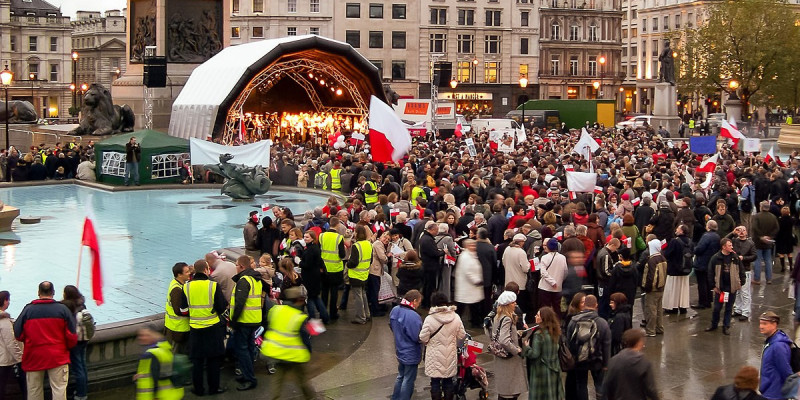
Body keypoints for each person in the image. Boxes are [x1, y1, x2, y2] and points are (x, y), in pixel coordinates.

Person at [14, 281, 77, 400]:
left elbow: (18, 334)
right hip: (58, 356)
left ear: (38, 293)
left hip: (34, 356)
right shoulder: (63, 310)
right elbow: (72, 336)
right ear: (53, 293)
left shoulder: (28, 310)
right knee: (59, 389)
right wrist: (64, 347)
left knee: (34, 390)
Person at [181, 259, 228, 396]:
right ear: (207, 270)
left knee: (197, 361)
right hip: (212, 328)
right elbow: (221, 307)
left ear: (194, 271)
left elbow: (183, 309)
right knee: (213, 360)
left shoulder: (186, 286)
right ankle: (214, 388)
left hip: (195, 329)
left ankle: (198, 389)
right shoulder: (213, 286)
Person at [261, 286, 316, 400]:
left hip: (277, 352)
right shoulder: (298, 317)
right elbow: (305, 338)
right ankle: (311, 398)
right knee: (302, 379)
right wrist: (309, 352)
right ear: (298, 300)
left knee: (278, 379)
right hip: (293, 354)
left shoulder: (275, 310)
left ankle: (274, 398)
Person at [419, 292, 466, 400]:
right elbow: (462, 335)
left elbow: (423, 337)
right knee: (448, 381)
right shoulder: (456, 317)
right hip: (450, 355)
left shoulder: (430, 319)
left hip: (434, 357)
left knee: (435, 382)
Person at [565, 294, 610, 400]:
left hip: (580, 359)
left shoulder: (574, 321)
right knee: (599, 384)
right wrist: (606, 363)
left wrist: (573, 358)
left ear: (584, 304)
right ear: (596, 305)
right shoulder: (602, 322)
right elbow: (606, 344)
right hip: (597, 359)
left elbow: (569, 341)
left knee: (581, 385)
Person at [231, 255, 264, 391]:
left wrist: (233, 321)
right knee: (250, 348)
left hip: (244, 320)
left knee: (242, 349)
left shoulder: (244, 281)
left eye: (237, 265)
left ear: (242, 267)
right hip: (254, 319)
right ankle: (247, 374)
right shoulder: (256, 280)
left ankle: (250, 379)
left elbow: (240, 303)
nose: (236, 268)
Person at [602, 328, 659, 400]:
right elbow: (651, 389)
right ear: (639, 342)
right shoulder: (643, 362)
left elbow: (606, 386)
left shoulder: (613, 360)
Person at [704, 238, 746, 335]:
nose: (731, 247)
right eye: (729, 245)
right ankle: (714, 324)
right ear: (723, 247)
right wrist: (713, 286)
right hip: (720, 289)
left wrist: (741, 283)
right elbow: (710, 272)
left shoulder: (735, 258)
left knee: (729, 308)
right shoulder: (715, 258)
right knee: (717, 308)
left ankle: (726, 326)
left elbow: (741, 271)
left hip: (732, 288)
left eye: (731, 245)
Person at [522, 306, 563, 400]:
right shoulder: (555, 331)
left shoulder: (539, 334)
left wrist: (527, 347)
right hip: (554, 369)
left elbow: (534, 354)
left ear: (543, 318)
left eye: (538, 315)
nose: (535, 316)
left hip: (540, 371)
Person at [390, 290, 423, 400]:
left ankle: (395, 398)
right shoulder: (413, 316)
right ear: (414, 301)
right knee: (408, 379)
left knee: (401, 376)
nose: (419, 305)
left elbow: (392, 326)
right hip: (411, 352)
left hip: (400, 349)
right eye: (418, 302)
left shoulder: (395, 310)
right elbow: (417, 336)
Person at [133, 326, 184, 400]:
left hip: (159, 396)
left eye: (146, 335)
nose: (142, 338)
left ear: (153, 335)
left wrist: (155, 396)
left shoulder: (151, 354)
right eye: (140, 335)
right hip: (172, 395)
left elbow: (155, 376)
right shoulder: (164, 348)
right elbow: (165, 373)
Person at [62, 285, 91, 400]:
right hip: (84, 339)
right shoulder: (82, 304)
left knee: (77, 368)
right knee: (83, 366)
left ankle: (81, 394)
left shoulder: (69, 306)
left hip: (76, 340)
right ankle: (83, 389)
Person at [758, 311, 792, 400]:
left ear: (774, 325)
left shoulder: (778, 346)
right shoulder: (772, 340)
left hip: (774, 393)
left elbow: (786, 371)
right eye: (760, 323)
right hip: (768, 389)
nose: (761, 326)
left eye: (765, 324)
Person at [453, 239, 484, 328]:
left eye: (474, 245)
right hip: (467, 286)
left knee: (472, 306)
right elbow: (468, 271)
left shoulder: (471, 255)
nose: (473, 247)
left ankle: (475, 322)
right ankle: (456, 322)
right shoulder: (465, 257)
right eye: (471, 245)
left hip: (470, 288)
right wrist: (476, 280)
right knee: (462, 306)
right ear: (466, 246)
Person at [0, 290, 25, 399]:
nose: (9, 302)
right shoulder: (4, 320)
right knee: (1, 386)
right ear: (4, 301)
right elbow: (10, 342)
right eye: (8, 300)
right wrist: (20, 358)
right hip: (4, 360)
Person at [319, 225, 347, 320]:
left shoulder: (321, 236)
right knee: (334, 292)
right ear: (337, 226)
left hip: (324, 268)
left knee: (324, 292)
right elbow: (342, 254)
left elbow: (319, 250)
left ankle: (323, 314)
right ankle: (333, 313)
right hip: (336, 269)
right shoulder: (339, 237)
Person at [301, 230, 329, 324]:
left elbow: (307, 265)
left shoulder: (310, 250)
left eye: (307, 237)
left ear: (312, 238)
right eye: (304, 236)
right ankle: (325, 317)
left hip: (309, 277)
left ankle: (312, 317)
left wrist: (299, 262)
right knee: (316, 297)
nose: (305, 238)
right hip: (315, 275)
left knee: (309, 298)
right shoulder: (315, 247)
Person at [662, 225, 691, 314]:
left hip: (674, 269)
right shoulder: (690, 241)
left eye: (678, 228)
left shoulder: (675, 241)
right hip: (686, 269)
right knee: (683, 290)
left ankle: (672, 307)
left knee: (673, 289)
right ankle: (683, 307)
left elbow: (667, 254)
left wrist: (663, 249)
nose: (676, 230)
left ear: (681, 231)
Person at [641, 238, 667, 337]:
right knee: (659, 310)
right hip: (661, 287)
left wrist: (647, 287)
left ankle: (651, 330)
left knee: (651, 310)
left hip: (653, 289)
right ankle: (659, 327)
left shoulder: (652, 260)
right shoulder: (662, 258)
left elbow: (651, 276)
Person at [692, 220, 721, 309]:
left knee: (702, 284)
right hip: (711, 263)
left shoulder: (706, 236)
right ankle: (708, 301)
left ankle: (702, 302)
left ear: (708, 226)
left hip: (702, 263)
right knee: (708, 282)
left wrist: (694, 249)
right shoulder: (717, 236)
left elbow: (699, 249)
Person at [164, 262, 191, 355]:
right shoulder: (177, 290)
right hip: (178, 330)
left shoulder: (175, 283)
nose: (189, 273)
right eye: (187, 272)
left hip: (174, 327)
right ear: (179, 275)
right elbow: (178, 311)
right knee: (178, 357)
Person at [348, 225, 373, 324]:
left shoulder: (356, 246)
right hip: (365, 273)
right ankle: (367, 314)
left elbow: (353, 262)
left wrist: (347, 264)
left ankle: (360, 317)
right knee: (363, 294)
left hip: (356, 275)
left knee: (358, 297)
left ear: (357, 233)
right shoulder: (369, 244)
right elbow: (371, 260)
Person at [539, 237, 568, 317]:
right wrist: (559, 281)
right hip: (558, 288)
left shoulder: (544, 257)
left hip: (545, 287)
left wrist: (552, 282)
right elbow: (565, 271)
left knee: (545, 307)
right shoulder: (562, 258)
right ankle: (557, 325)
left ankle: (546, 324)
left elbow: (543, 272)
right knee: (557, 308)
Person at [751, 201, 779, 285]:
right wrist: (770, 236)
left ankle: (757, 279)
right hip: (768, 242)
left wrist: (761, 236)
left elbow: (754, 227)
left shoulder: (757, 216)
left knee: (757, 260)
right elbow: (777, 228)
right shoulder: (773, 217)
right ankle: (769, 279)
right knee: (768, 261)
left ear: (761, 207)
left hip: (758, 242)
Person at [419, 221, 444, 309]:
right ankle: (427, 303)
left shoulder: (424, 237)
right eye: (436, 231)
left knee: (426, 285)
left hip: (427, 265)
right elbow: (434, 253)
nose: (437, 233)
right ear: (432, 230)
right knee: (429, 286)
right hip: (430, 266)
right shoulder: (428, 240)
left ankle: (424, 302)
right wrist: (443, 252)